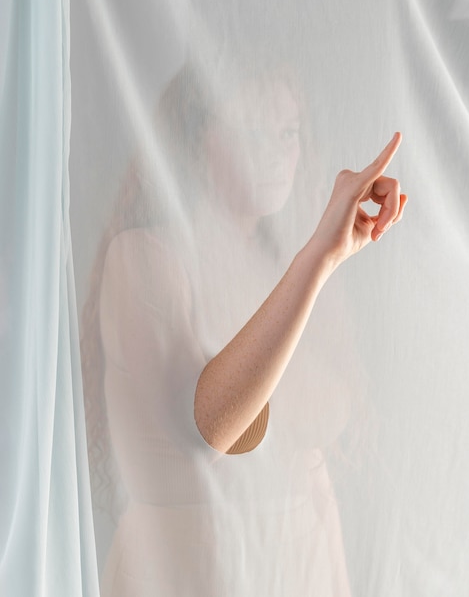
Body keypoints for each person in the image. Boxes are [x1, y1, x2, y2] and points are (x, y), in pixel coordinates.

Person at [81, 59, 406, 596]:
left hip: (297, 569)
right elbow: (208, 430)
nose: (276, 152)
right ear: (196, 140)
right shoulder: (145, 258)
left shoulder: (285, 265)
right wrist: (319, 258)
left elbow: (313, 471)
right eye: (252, 132)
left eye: (288, 132)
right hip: (190, 574)